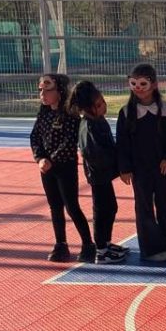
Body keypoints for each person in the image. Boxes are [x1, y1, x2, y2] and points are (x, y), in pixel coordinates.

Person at [116, 63, 166, 262]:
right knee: (143, 207)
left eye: (143, 83)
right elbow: (122, 142)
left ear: (154, 85)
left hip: (162, 167)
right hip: (139, 169)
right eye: (133, 83)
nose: (138, 87)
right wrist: (125, 168)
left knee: (164, 205)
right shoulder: (127, 112)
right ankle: (151, 249)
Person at [30, 73, 95, 263]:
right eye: (40, 90)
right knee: (55, 207)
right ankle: (61, 244)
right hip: (46, 169)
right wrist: (40, 158)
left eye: (47, 90)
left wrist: (52, 160)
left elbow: (69, 140)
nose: (43, 94)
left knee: (71, 206)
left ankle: (88, 244)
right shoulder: (43, 113)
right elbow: (35, 137)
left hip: (64, 167)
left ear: (59, 91)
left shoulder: (69, 113)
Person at [71, 80, 127, 265]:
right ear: (88, 108)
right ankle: (101, 249)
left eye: (103, 101)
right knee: (102, 210)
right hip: (98, 175)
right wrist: (116, 160)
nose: (104, 106)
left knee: (111, 207)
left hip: (104, 174)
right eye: (98, 105)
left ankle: (106, 243)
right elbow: (94, 154)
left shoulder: (98, 121)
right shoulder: (89, 127)